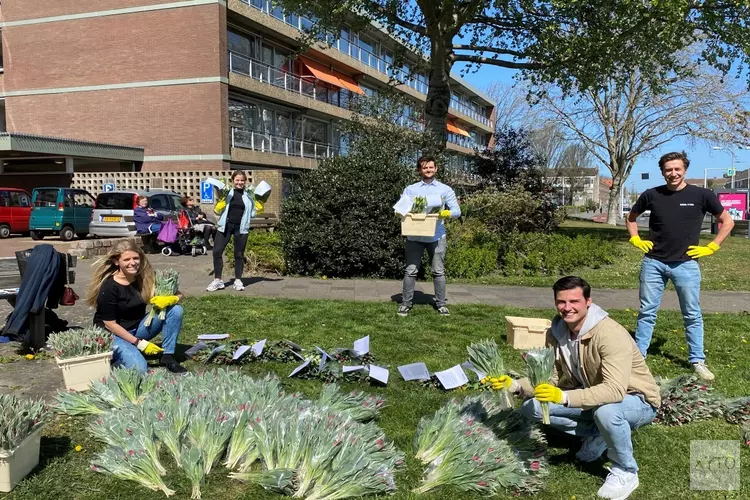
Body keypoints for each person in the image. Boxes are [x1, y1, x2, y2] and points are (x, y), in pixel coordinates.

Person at [496, 276, 660, 500]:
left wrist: (563, 397)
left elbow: (614, 390)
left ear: (588, 301)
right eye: (561, 302)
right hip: (593, 396)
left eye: (574, 301)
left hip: (636, 400)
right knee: (532, 407)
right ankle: (599, 434)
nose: (567, 308)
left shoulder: (610, 334)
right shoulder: (556, 332)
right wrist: (515, 385)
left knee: (607, 412)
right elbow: (549, 378)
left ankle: (626, 471)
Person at [626, 151, 734, 381]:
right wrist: (635, 238)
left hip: (686, 265)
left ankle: (697, 360)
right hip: (653, 262)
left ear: (684, 169)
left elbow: (728, 221)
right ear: (663, 172)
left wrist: (712, 247)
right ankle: (638, 358)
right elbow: (631, 217)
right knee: (647, 312)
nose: (673, 173)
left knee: (692, 314)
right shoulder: (651, 195)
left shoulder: (702, 195)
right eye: (668, 170)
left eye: (677, 169)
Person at [87, 239, 186, 374]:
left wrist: (172, 298)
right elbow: (110, 324)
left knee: (175, 310)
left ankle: (167, 357)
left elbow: (180, 294)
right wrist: (138, 342)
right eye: (126, 259)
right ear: (117, 261)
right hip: (112, 334)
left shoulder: (144, 278)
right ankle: (114, 357)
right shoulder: (109, 287)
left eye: (135, 258)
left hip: (137, 328)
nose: (132, 263)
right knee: (140, 369)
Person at [397, 155, 461, 317]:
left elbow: (457, 211)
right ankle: (405, 304)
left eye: (431, 167)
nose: (428, 170)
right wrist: (399, 211)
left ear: (436, 168)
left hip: (437, 236)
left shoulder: (445, 189)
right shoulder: (411, 189)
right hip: (414, 236)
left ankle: (441, 304)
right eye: (425, 167)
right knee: (410, 271)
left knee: (438, 271)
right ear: (420, 169)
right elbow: (401, 208)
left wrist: (447, 213)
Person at [206, 170, 256, 292]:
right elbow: (217, 211)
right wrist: (219, 205)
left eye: (242, 180)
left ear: (245, 181)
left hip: (241, 228)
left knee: (238, 255)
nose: (239, 182)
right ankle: (218, 280)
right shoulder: (227, 193)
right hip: (225, 226)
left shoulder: (249, 195)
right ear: (233, 180)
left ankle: (238, 280)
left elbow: (252, 213)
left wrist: (258, 208)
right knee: (217, 252)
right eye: (237, 180)